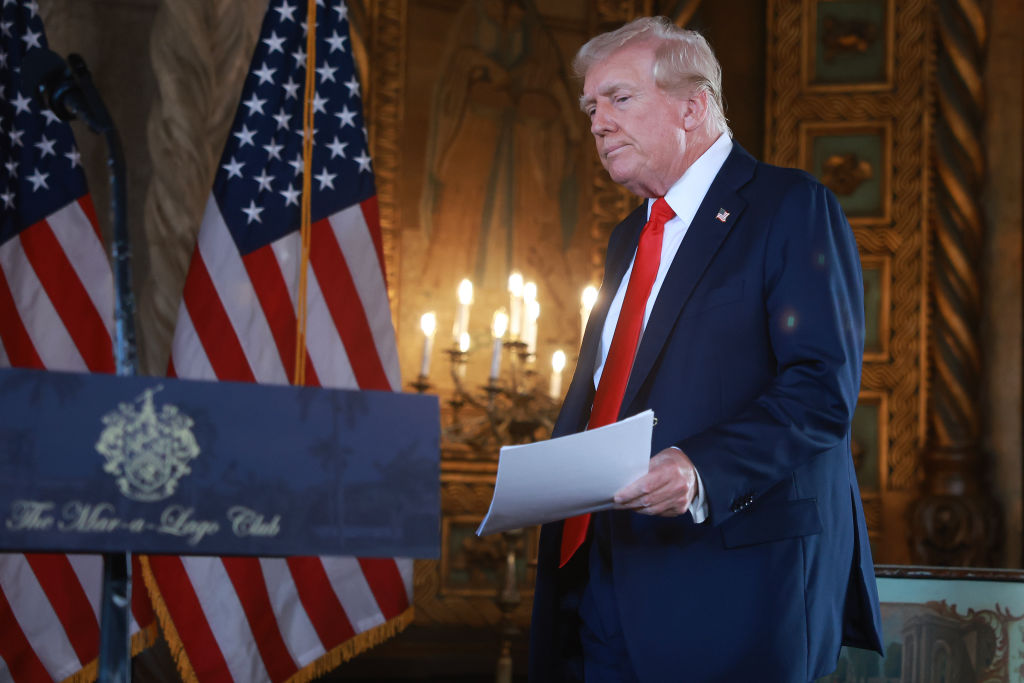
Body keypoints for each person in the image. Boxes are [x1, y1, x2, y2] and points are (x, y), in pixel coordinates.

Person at [529, 17, 883, 683]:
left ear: (693, 106)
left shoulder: (790, 207)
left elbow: (820, 389)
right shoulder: (627, 238)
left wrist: (702, 468)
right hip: (604, 581)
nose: (598, 121)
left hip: (737, 588)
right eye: (590, 106)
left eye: (619, 99)